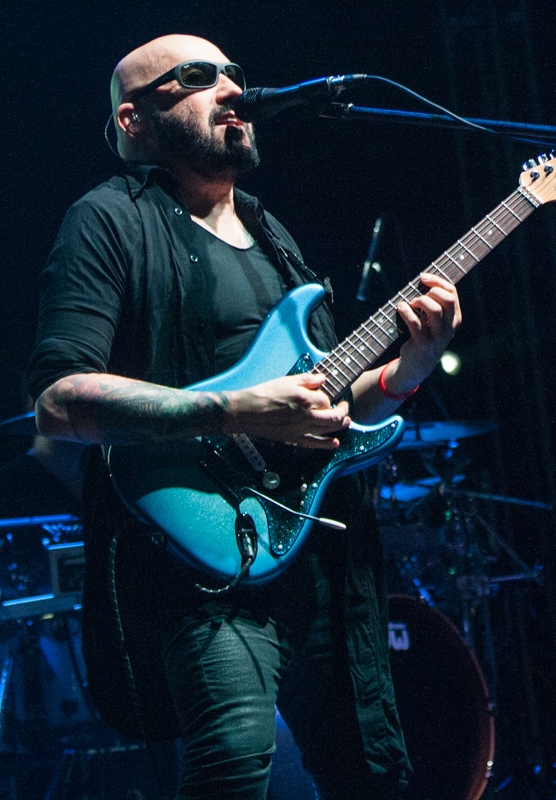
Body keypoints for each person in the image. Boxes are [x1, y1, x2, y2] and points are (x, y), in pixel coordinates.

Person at [25, 34, 461, 798]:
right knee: (233, 766)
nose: (231, 88)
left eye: (234, 73)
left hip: (318, 553)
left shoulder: (275, 240)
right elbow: (59, 401)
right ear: (134, 120)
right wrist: (232, 412)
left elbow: (325, 409)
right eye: (198, 77)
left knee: (372, 774)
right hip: (199, 570)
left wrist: (411, 368)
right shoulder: (108, 220)